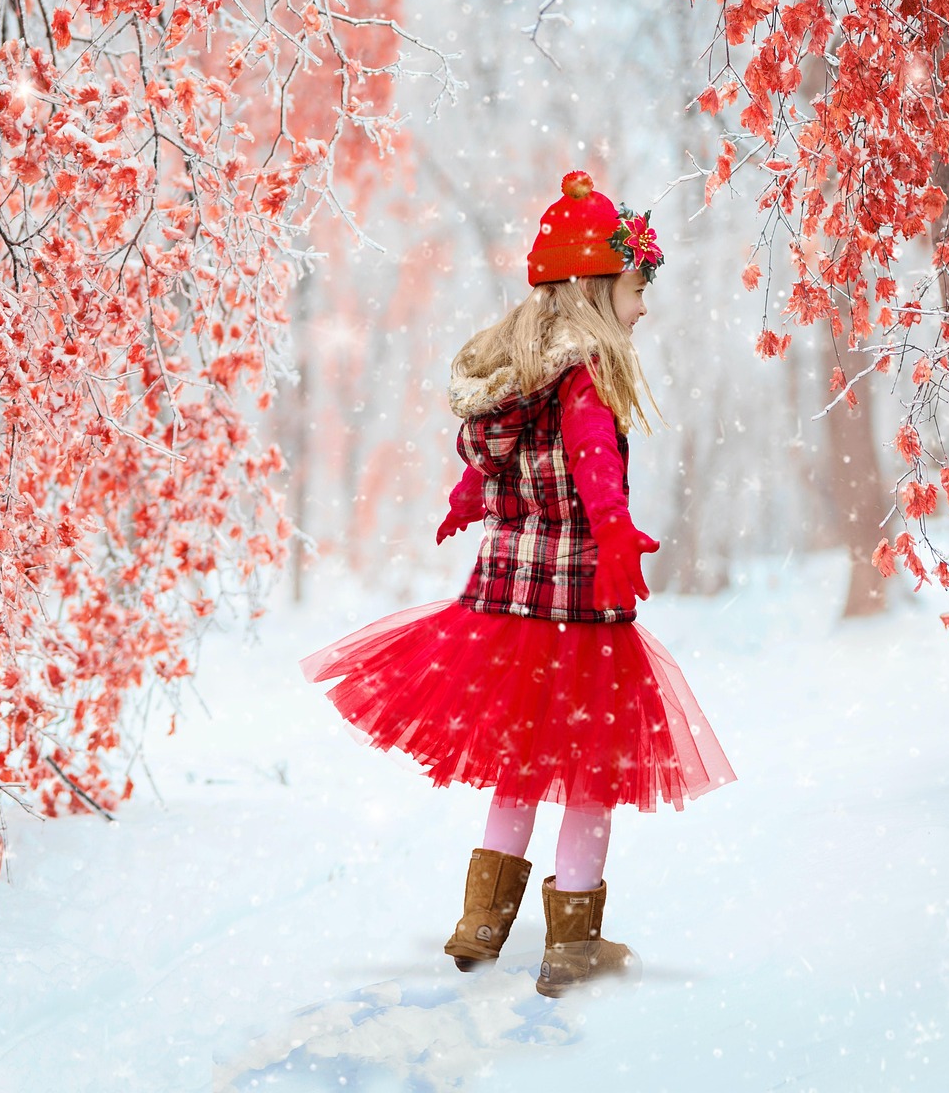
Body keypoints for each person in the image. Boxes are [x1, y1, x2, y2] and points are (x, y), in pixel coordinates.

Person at [302, 170, 734, 997]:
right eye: (637, 290)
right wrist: (615, 534)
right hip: (576, 601)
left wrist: (469, 500)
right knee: (591, 775)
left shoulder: (518, 378)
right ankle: (571, 947)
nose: (643, 308)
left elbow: (497, 455)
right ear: (595, 290)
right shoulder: (583, 381)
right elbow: (592, 460)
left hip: (507, 600)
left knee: (520, 766)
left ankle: (480, 925)